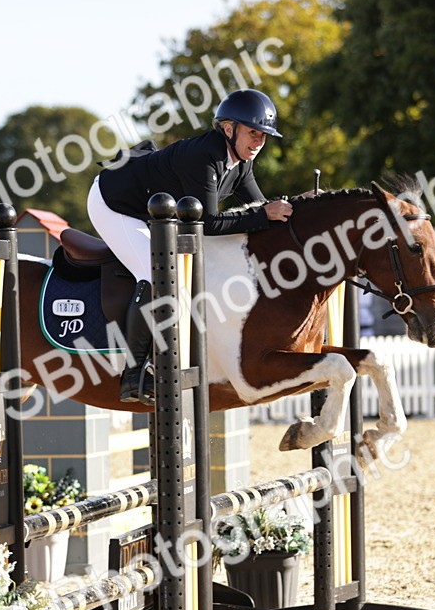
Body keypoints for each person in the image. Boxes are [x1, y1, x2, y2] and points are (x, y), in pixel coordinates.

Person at [88, 89, 292, 404]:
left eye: (263, 136)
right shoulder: (205, 156)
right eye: (253, 133)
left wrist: (297, 208)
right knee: (155, 273)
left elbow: (262, 208)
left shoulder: (241, 163)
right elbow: (207, 223)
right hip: (113, 203)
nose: (259, 142)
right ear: (228, 128)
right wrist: (265, 214)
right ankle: (133, 373)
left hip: (151, 209)